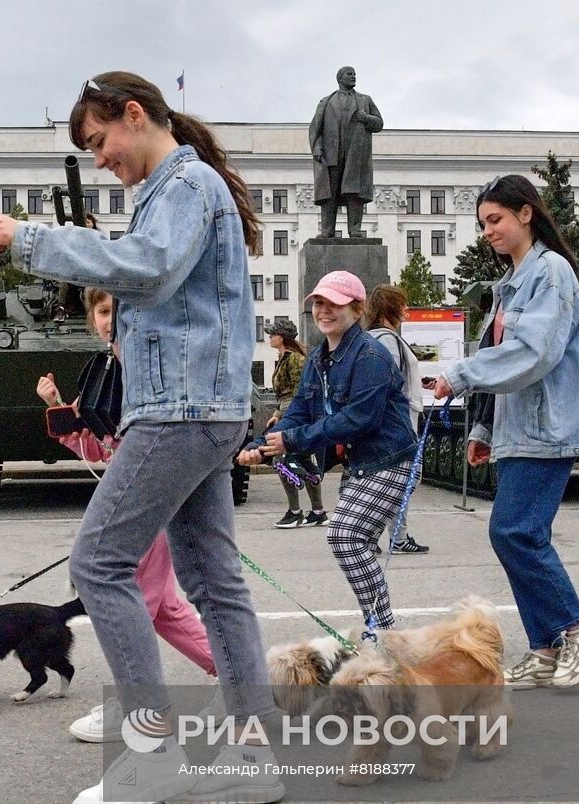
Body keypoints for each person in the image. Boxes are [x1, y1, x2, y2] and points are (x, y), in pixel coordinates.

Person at [0, 70, 282, 804]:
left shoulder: (183, 187)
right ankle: (253, 753)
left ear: (135, 115)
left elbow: (146, 270)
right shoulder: (181, 188)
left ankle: (149, 753)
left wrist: (34, 239)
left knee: (98, 562)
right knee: (213, 581)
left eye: (99, 139)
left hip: (180, 409)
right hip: (201, 406)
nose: (100, 157)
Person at [432, 174, 579, 690]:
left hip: (548, 427)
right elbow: (506, 362)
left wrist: (461, 374)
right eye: (483, 224)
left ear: (526, 214)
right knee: (516, 535)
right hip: (519, 430)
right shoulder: (508, 286)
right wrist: (486, 428)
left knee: (515, 532)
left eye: (495, 220)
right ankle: (545, 647)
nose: (487, 231)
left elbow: (533, 354)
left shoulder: (551, 272)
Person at [37, 287, 218, 743]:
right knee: (164, 609)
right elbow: (100, 448)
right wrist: (57, 407)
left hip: (146, 497)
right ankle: (240, 673)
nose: (109, 318)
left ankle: (135, 706)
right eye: (101, 311)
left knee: (128, 600)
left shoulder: (141, 365)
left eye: (117, 309)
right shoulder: (107, 368)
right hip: (142, 492)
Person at [239, 271, 416, 642]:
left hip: (391, 459)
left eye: (333, 304)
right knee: (358, 543)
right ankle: (379, 628)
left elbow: (358, 420)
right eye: (319, 303)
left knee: (344, 536)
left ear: (357, 308)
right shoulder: (320, 356)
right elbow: (301, 409)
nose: (324, 311)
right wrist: (261, 444)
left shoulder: (371, 356)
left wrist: (293, 441)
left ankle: (382, 630)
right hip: (364, 463)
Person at [364, 284, 430, 553]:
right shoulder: (387, 340)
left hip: (398, 417)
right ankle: (381, 535)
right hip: (399, 420)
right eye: (402, 304)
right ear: (390, 307)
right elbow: (386, 382)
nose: (406, 309)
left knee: (398, 480)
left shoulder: (383, 338)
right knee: (406, 478)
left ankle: (390, 536)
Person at [264, 319, 327, 529]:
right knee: (299, 459)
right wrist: (276, 414)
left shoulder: (296, 360)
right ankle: (317, 512)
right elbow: (284, 393)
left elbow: (301, 393)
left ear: (282, 337)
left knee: (281, 460)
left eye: (272, 334)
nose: (269, 337)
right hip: (287, 412)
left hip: (296, 415)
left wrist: (285, 416)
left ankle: (295, 512)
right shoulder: (284, 358)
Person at [309, 66, 383, 238]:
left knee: (354, 193)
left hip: (355, 155)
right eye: (349, 74)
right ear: (340, 78)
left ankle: (355, 230)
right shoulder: (326, 102)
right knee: (329, 194)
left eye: (354, 74)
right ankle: (327, 231)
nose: (353, 77)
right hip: (331, 156)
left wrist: (367, 118)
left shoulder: (365, 100)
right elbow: (315, 128)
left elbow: (379, 123)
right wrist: (317, 147)